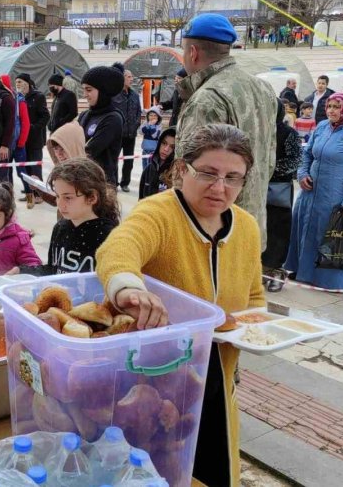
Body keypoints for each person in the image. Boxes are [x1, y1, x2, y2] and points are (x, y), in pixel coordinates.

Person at [96, 124, 264, 486]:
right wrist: (127, 288)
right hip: (156, 386)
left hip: (217, 376)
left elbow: (254, 298)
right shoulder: (158, 213)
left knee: (213, 467)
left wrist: (259, 329)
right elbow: (119, 248)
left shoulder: (247, 228)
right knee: (162, 471)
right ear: (182, 169)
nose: (220, 188)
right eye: (208, 173)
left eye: (233, 178)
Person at [175, 13, 277, 251]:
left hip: (211, 234)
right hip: (250, 226)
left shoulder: (207, 99)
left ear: (193, 53)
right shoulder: (262, 88)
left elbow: (189, 175)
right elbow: (268, 159)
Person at [286, 92, 343, 290]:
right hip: (313, 193)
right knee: (310, 231)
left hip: (341, 195)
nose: (331, 110)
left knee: (335, 235)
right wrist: (302, 174)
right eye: (329, 106)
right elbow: (307, 154)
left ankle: (333, 280)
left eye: (337, 107)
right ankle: (305, 273)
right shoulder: (323, 126)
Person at [15, 157, 119, 275]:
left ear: (92, 197)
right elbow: (52, 270)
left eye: (68, 197)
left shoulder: (110, 235)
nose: (59, 203)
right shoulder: (61, 228)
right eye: (58, 196)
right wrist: (22, 271)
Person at [264, 99, 302, 292]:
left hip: (278, 188)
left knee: (278, 228)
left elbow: (295, 160)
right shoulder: (257, 131)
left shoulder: (289, 134)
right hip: (256, 187)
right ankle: (259, 270)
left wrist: (268, 170)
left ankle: (275, 271)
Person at [78, 66, 125, 186]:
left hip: (102, 183)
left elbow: (89, 150)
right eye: (83, 90)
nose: (85, 94)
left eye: (89, 90)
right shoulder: (84, 115)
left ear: (103, 91)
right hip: (81, 177)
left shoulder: (113, 118)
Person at [15, 73, 50, 208]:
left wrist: (33, 127)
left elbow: (45, 116)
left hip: (35, 139)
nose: (18, 84)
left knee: (35, 166)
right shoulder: (18, 98)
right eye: (16, 81)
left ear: (27, 83)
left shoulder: (38, 97)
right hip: (23, 139)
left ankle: (39, 194)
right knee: (26, 166)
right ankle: (30, 192)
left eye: (20, 81)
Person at [115, 68, 143, 192]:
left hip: (131, 134)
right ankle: (113, 182)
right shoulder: (114, 95)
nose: (131, 79)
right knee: (113, 160)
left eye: (131, 77)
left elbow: (138, 112)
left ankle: (125, 183)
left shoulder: (135, 95)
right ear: (122, 78)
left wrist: (135, 125)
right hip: (117, 134)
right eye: (129, 77)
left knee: (129, 161)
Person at [0, 74, 30, 188]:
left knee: (21, 171)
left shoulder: (19, 100)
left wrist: (21, 143)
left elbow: (25, 123)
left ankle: (30, 195)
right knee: (6, 173)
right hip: (7, 143)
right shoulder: (1, 99)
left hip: (18, 143)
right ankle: (9, 197)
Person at [138, 127, 176, 200]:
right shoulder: (148, 169)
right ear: (159, 143)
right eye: (164, 143)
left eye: (172, 147)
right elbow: (141, 200)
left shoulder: (176, 174)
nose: (166, 149)